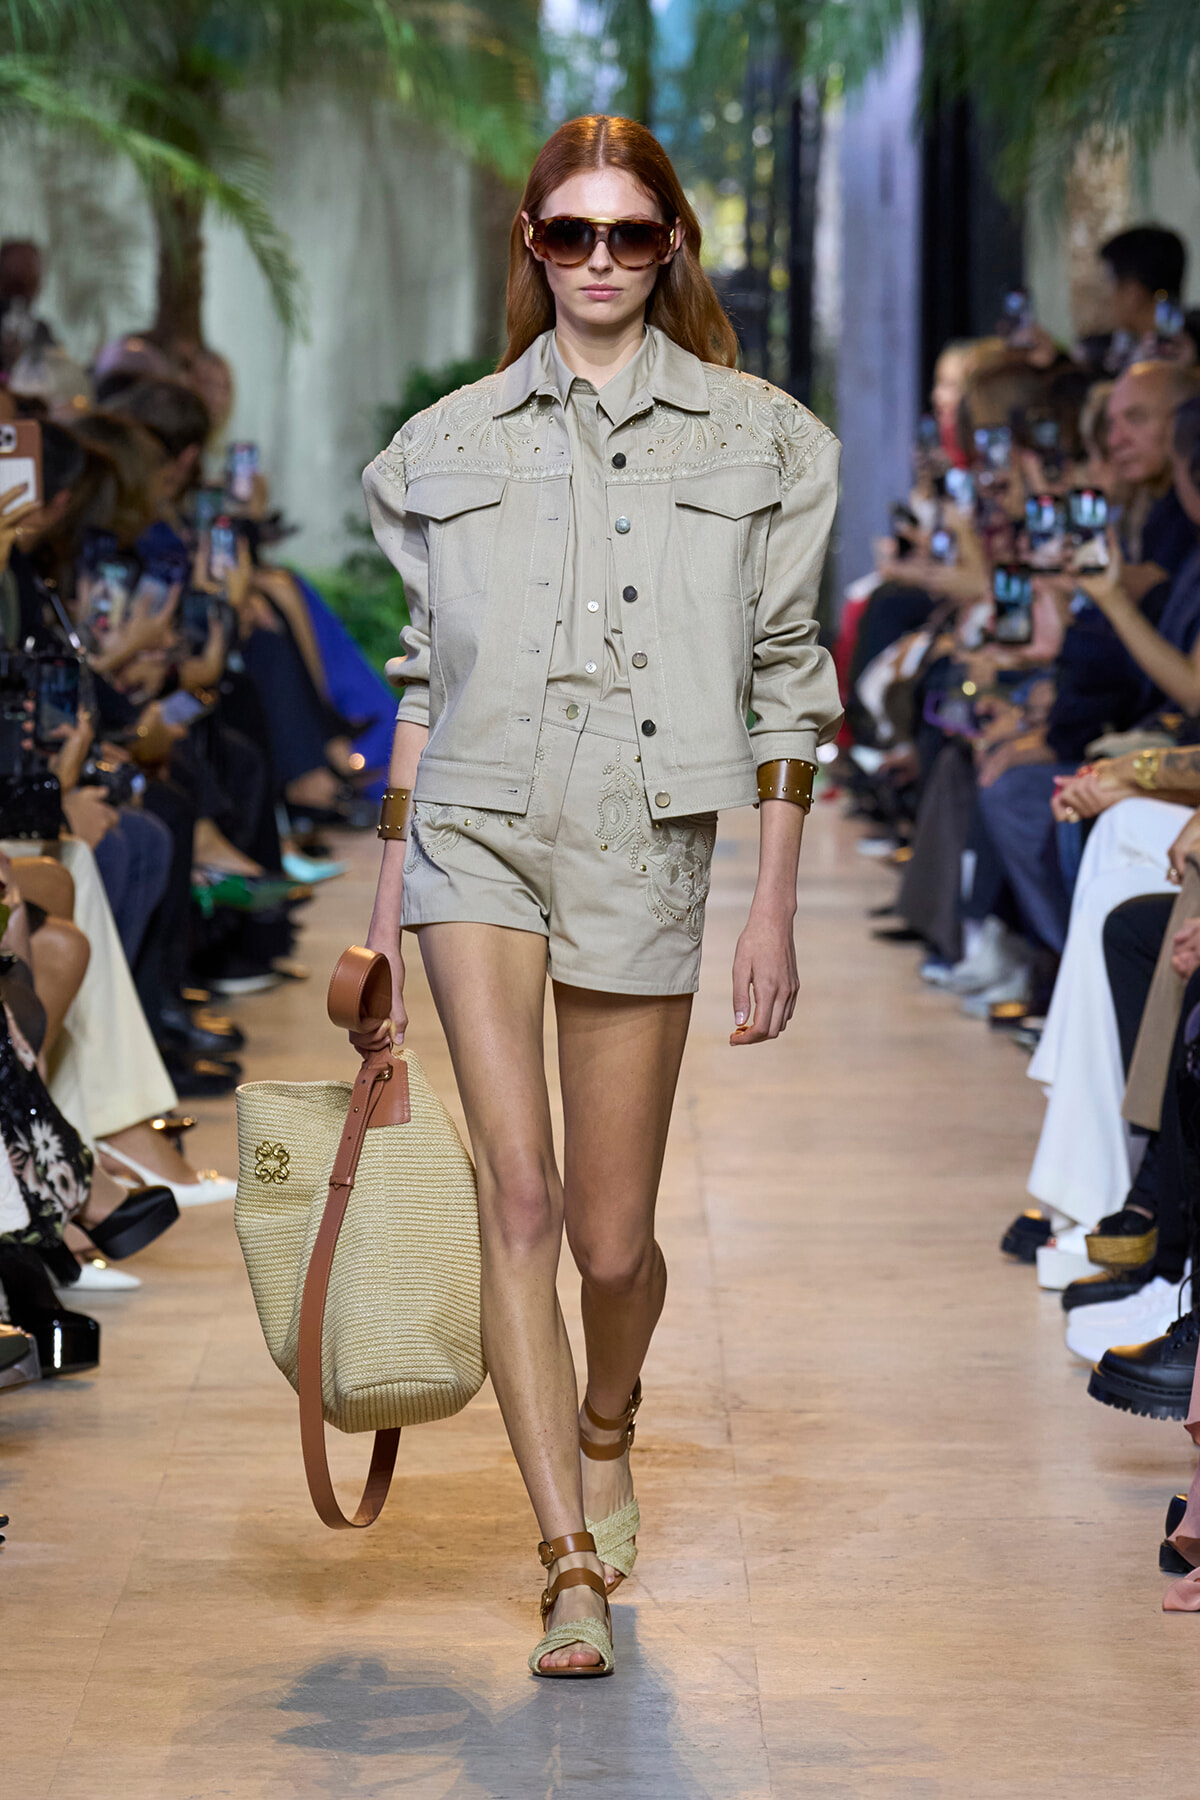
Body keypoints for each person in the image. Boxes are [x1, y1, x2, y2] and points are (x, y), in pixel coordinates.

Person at [359, 114, 841, 1679]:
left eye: (631, 234)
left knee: (612, 1244)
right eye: (571, 233)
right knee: (520, 1195)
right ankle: (565, 1557)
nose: (601, 262)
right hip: (477, 828)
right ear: (532, 243)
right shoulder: (441, 446)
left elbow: (789, 680)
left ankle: (609, 1414)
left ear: (672, 244)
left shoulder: (768, 442)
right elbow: (422, 684)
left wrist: (771, 907)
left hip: (646, 832)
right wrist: (380, 913)